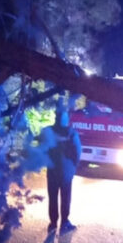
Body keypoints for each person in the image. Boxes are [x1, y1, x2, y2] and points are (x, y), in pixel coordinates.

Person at [39, 100, 82, 234]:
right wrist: (74, 166)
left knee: (53, 196)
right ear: (66, 117)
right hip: (66, 171)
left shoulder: (48, 131)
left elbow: (41, 148)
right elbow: (77, 152)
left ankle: (53, 223)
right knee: (65, 196)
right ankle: (64, 222)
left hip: (52, 169)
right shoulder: (71, 133)